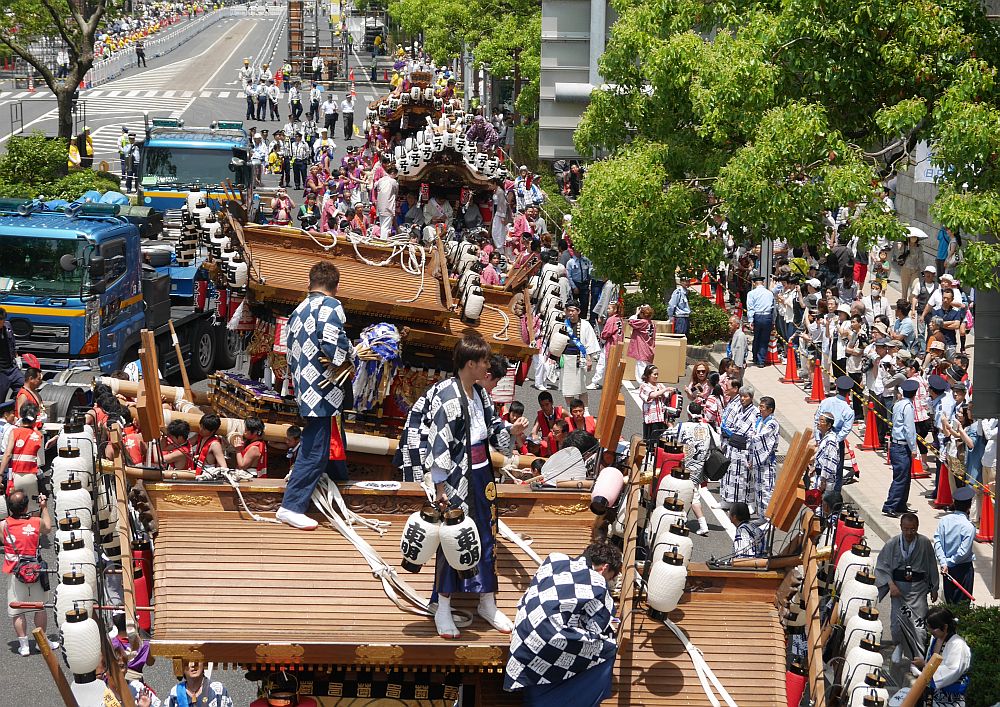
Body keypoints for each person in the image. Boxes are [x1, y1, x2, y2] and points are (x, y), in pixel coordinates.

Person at [421, 334, 528, 638]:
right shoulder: (447, 396)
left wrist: (510, 429)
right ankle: (443, 605)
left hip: (483, 477)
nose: (487, 367)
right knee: (452, 539)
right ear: (471, 364)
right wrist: (440, 487)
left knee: (486, 536)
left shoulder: (480, 394)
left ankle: (487, 600)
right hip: (457, 480)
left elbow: (493, 429)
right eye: (483, 362)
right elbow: (439, 444)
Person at [276, 262, 353, 531]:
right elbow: (333, 345)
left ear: (309, 283)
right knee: (316, 449)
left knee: (322, 445)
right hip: (322, 388)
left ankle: (326, 488)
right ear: (336, 287)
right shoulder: (331, 307)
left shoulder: (298, 310)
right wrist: (351, 357)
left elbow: (289, 350)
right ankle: (291, 506)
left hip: (304, 384)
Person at [503, 540, 621, 707]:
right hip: (550, 637)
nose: (608, 581)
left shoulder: (554, 559)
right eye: (610, 577)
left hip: (524, 630)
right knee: (607, 647)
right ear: (604, 568)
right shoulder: (598, 582)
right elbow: (596, 627)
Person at [874, 513, 939, 663]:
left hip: (918, 589)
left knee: (919, 624)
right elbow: (882, 566)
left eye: (913, 529)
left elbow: (931, 565)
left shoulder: (924, 543)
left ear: (917, 527)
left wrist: (934, 587)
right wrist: (891, 585)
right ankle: (898, 645)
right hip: (898, 588)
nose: (909, 532)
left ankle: (917, 656)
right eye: (906, 529)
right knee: (897, 622)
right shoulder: (892, 543)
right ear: (901, 527)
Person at [2, 490, 55, 657]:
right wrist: (44, 507)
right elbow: (48, 528)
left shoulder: (3, 525)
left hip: (15, 571)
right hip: (35, 570)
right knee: (40, 607)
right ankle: (41, 642)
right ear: (26, 507)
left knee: (17, 610)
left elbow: (3, 540)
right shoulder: (36, 522)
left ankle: (24, 645)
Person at [912, 606, 971, 707]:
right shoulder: (935, 639)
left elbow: (951, 670)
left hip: (950, 698)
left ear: (945, 627)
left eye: (933, 628)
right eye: (928, 627)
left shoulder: (958, 645)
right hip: (931, 695)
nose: (930, 630)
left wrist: (925, 665)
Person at [672, 402, 712, 535]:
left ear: (689, 414)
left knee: (686, 494)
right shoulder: (707, 427)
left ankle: (685, 521)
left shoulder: (683, 426)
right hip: (700, 467)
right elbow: (717, 443)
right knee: (693, 493)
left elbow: (667, 436)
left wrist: (670, 426)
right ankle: (696, 522)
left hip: (685, 467)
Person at [933, 486, 976, 605]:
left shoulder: (944, 520)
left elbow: (937, 542)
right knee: (962, 606)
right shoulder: (968, 526)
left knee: (950, 602)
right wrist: (949, 562)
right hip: (963, 569)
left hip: (947, 569)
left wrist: (944, 562)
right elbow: (963, 552)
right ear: (969, 506)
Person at [884, 379, 920, 517]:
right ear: (914, 394)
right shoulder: (908, 407)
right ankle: (890, 505)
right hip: (902, 446)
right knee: (900, 478)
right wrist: (913, 448)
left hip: (897, 445)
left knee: (905, 477)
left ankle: (901, 504)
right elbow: (909, 429)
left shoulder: (898, 404)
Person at [720, 385, 759, 509]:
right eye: (741, 396)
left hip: (744, 449)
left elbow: (754, 432)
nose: (742, 399)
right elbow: (730, 424)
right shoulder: (738, 408)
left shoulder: (755, 412)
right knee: (729, 475)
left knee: (744, 478)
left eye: (745, 396)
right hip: (732, 447)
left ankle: (748, 504)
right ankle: (728, 500)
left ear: (751, 397)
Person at [814, 375, 856, 489]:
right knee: (836, 470)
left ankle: (818, 491)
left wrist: (818, 438)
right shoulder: (848, 410)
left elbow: (817, 419)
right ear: (849, 392)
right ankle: (833, 495)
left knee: (819, 465)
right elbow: (846, 429)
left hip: (822, 438)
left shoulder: (825, 402)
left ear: (836, 388)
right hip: (836, 441)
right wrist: (836, 441)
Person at [560, 301, 599, 408]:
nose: (570, 313)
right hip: (565, 358)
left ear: (578, 311)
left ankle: (585, 409)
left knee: (581, 388)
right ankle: (571, 410)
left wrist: (589, 359)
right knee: (567, 389)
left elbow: (590, 342)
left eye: (573, 311)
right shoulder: (563, 324)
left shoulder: (585, 325)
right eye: (568, 310)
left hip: (579, 359)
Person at [750, 396, 780, 519]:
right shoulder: (761, 420)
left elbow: (761, 439)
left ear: (770, 409)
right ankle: (762, 517)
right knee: (759, 489)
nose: (760, 409)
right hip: (758, 461)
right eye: (760, 406)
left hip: (767, 462)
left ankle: (768, 519)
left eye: (762, 407)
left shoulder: (772, 424)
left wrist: (751, 437)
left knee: (766, 489)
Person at [165, 661, 233, 707]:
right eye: (187, 661)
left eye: (196, 660)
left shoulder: (217, 690)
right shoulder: (175, 693)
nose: (192, 664)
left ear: (204, 662)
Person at [747, 274, 775, 366]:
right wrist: (773, 320)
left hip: (757, 316)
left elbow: (750, 308)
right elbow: (773, 307)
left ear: (754, 283)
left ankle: (755, 356)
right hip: (767, 316)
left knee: (756, 337)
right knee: (764, 339)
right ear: (763, 283)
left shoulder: (751, 293)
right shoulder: (769, 293)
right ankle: (761, 360)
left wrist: (750, 320)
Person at [638, 365, 672, 443]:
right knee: (650, 442)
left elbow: (667, 395)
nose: (656, 376)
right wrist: (665, 390)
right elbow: (652, 395)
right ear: (648, 375)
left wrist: (670, 391)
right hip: (651, 418)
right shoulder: (644, 386)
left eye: (657, 374)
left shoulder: (660, 385)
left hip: (662, 417)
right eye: (654, 374)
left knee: (662, 441)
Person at [627, 305, 656, 383]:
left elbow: (630, 321)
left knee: (641, 367)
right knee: (647, 367)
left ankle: (642, 384)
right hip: (649, 348)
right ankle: (646, 383)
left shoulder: (643, 322)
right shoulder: (652, 323)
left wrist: (636, 314)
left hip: (642, 348)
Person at [812, 412, 839, 494]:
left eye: (822, 421)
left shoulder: (831, 440)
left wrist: (824, 480)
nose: (818, 423)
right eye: (818, 420)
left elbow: (830, 461)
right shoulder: (824, 437)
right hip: (819, 476)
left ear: (829, 425)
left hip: (825, 480)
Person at [0, 309, 23, 403]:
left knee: (24, 388)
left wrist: (17, 359)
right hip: (1, 372)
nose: (2, 323)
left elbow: (12, 344)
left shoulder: (7, 326)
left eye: (2, 320)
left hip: (12, 368)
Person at [374, 164, 398, 236]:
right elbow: (396, 193)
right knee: (385, 227)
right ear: (393, 173)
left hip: (380, 206)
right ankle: (383, 240)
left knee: (383, 225)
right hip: (388, 206)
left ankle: (384, 238)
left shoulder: (380, 180)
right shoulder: (393, 181)